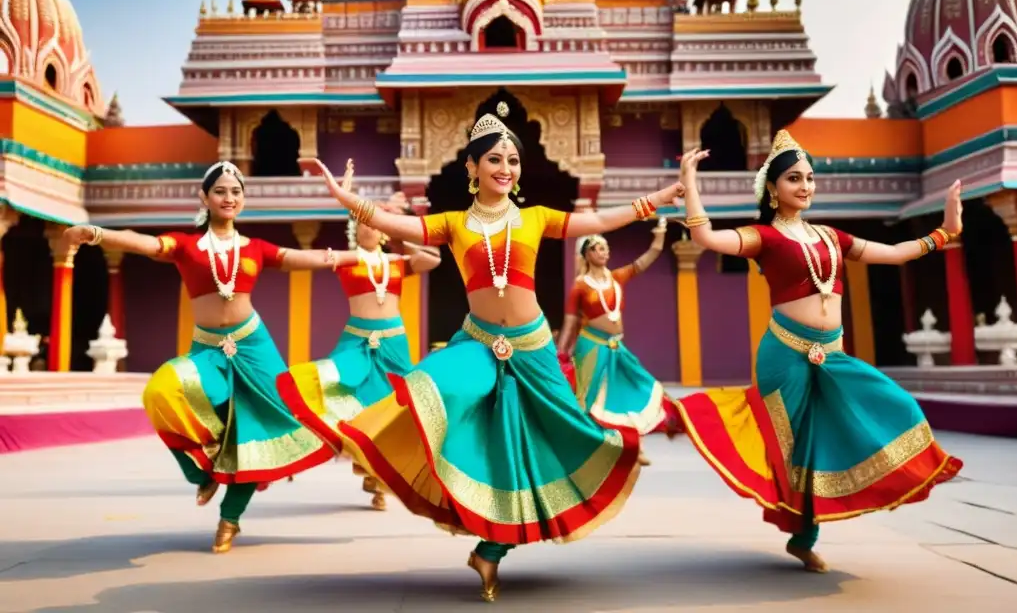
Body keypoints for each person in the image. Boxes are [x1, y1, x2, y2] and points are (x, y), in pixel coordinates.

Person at [296, 105, 685, 602]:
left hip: (533, 347)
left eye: (513, 160)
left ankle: (490, 551)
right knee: (429, 388)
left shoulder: (537, 218)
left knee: (544, 444)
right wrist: (344, 198)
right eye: (496, 159)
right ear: (473, 167)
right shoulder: (454, 223)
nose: (506, 168)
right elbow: (401, 225)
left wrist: (660, 198)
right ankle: (373, 447)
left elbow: (602, 217)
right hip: (479, 342)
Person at [675, 130, 964, 573]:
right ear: (773, 188)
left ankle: (891, 481)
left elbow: (893, 253)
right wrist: (690, 185)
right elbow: (709, 241)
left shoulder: (832, 237)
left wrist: (943, 233)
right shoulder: (763, 237)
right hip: (784, 355)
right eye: (794, 178)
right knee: (795, 453)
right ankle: (803, 537)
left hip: (833, 355)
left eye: (810, 178)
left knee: (894, 406)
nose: (805, 186)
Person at [63, 162, 358, 553]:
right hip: (208, 347)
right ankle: (198, 473)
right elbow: (143, 242)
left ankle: (230, 520)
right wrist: (96, 234)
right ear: (204, 197)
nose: (229, 197)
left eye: (236, 191)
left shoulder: (255, 248)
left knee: (254, 435)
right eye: (220, 191)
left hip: (254, 348)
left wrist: (365, 255)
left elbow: (307, 259)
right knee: (160, 391)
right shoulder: (186, 246)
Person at [277, 166, 441, 510]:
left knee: (389, 409)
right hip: (356, 341)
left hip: (394, 344)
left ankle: (376, 479)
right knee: (332, 388)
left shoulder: (398, 261)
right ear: (355, 229)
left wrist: (399, 230)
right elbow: (325, 258)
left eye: (374, 224)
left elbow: (433, 259)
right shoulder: (349, 261)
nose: (369, 228)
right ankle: (298, 443)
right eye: (363, 223)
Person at [556, 219, 685, 466]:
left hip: (616, 346)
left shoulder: (617, 278)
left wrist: (659, 236)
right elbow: (570, 321)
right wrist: (562, 352)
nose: (604, 252)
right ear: (587, 254)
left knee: (635, 388)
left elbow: (646, 259)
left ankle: (636, 446)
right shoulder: (580, 287)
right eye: (598, 248)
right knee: (590, 397)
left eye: (606, 248)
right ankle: (587, 449)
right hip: (591, 347)